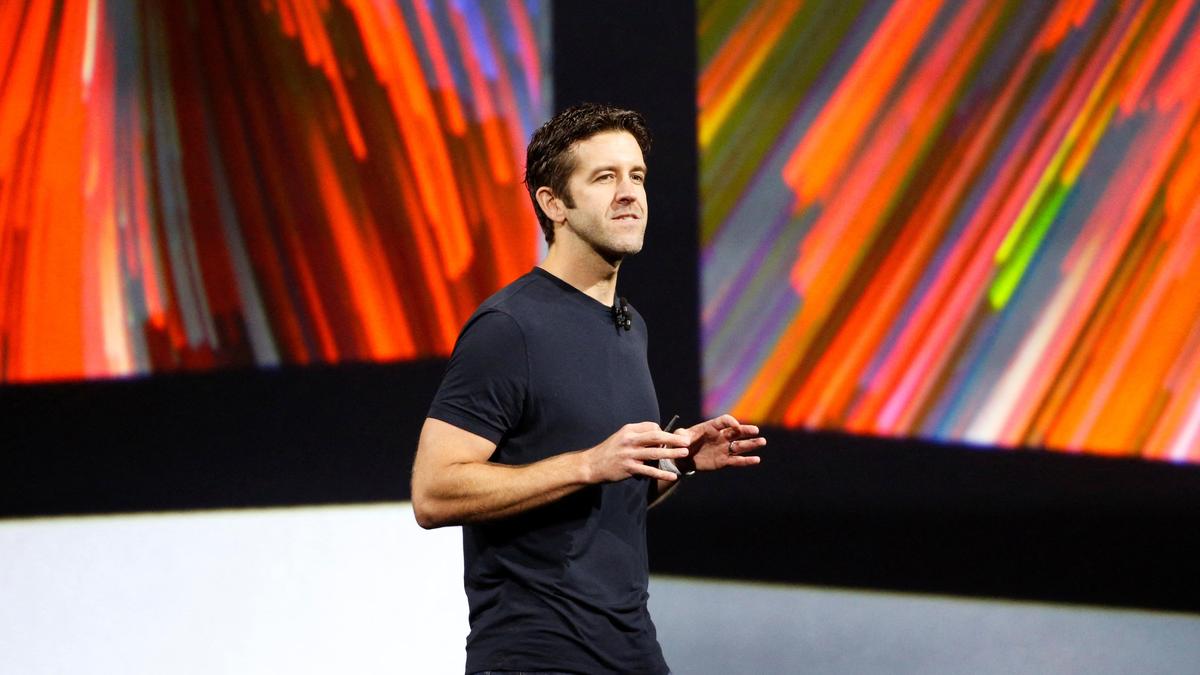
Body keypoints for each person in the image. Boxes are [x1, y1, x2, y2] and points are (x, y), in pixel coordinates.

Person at [411, 103, 767, 674]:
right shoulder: (509, 327)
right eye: (604, 178)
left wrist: (676, 462)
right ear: (554, 204)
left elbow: (603, 497)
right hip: (538, 654)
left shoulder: (630, 325)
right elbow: (433, 492)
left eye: (637, 176)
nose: (629, 194)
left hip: (630, 650)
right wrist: (587, 463)